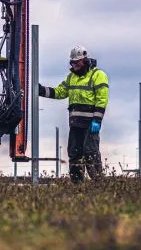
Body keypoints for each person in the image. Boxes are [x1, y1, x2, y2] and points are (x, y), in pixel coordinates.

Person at [38, 45, 109, 182]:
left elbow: (102, 98)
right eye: (72, 62)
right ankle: (77, 184)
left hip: (90, 124)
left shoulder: (98, 75)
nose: (74, 65)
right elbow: (59, 92)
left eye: (76, 62)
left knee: (91, 153)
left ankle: (99, 184)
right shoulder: (71, 77)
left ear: (84, 60)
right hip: (76, 123)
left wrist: (97, 120)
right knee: (74, 154)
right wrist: (40, 90)